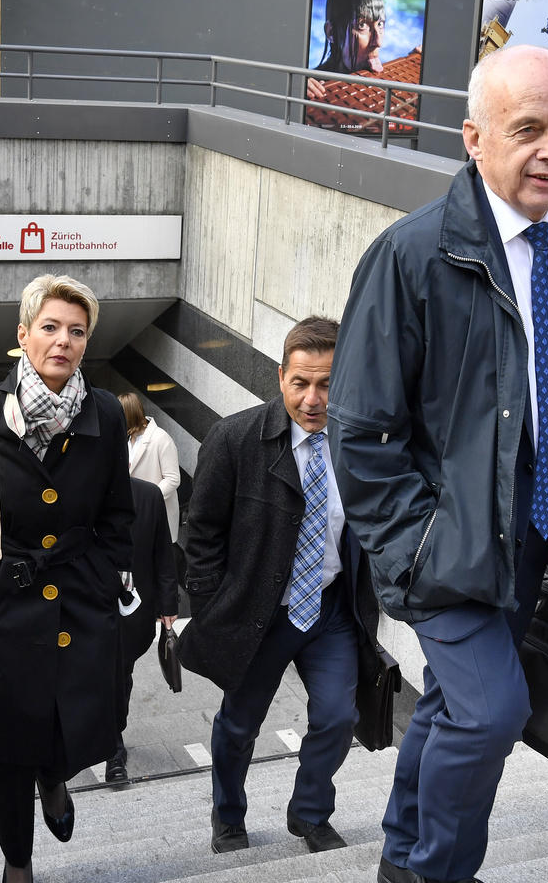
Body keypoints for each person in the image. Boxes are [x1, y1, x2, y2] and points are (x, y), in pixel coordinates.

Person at [328, 44, 548, 883]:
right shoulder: (413, 255)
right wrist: (417, 551)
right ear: (473, 138)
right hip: (450, 542)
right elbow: (359, 432)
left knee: (453, 704)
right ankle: (436, 870)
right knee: (494, 713)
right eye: (528, 129)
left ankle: (399, 854)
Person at [0, 275, 135, 883]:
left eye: (77, 331)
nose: (64, 341)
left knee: (63, 723)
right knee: (6, 746)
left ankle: (55, 778)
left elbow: (117, 513)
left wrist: (104, 578)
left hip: (79, 598)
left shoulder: (105, 413)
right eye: (51, 328)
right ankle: (17, 863)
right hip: (0, 604)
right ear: (23, 335)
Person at [178, 316, 379, 855]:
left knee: (339, 718)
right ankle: (228, 815)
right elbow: (201, 532)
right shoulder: (235, 438)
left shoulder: (362, 444)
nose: (312, 399)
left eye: (328, 383)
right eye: (300, 382)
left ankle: (310, 814)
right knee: (239, 726)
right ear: (281, 378)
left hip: (331, 610)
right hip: (258, 616)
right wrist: (213, 607)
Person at [108, 477, 179, 786]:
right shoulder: (76, 491)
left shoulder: (148, 496)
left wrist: (168, 607)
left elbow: (163, 555)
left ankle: (114, 734)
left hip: (132, 612)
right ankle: (108, 744)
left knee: (120, 675)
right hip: (86, 609)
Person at [307, 0, 384, 101]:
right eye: (362, 25)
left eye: (380, 24)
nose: (378, 42)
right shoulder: (310, 84)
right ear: (331, 32)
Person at [121, 392, 181, 542]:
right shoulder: (128, 439)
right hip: (135, 517)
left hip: (156, 513)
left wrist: (147, 500)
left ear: (128, 415)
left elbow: (173, 479)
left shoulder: (161, 438)